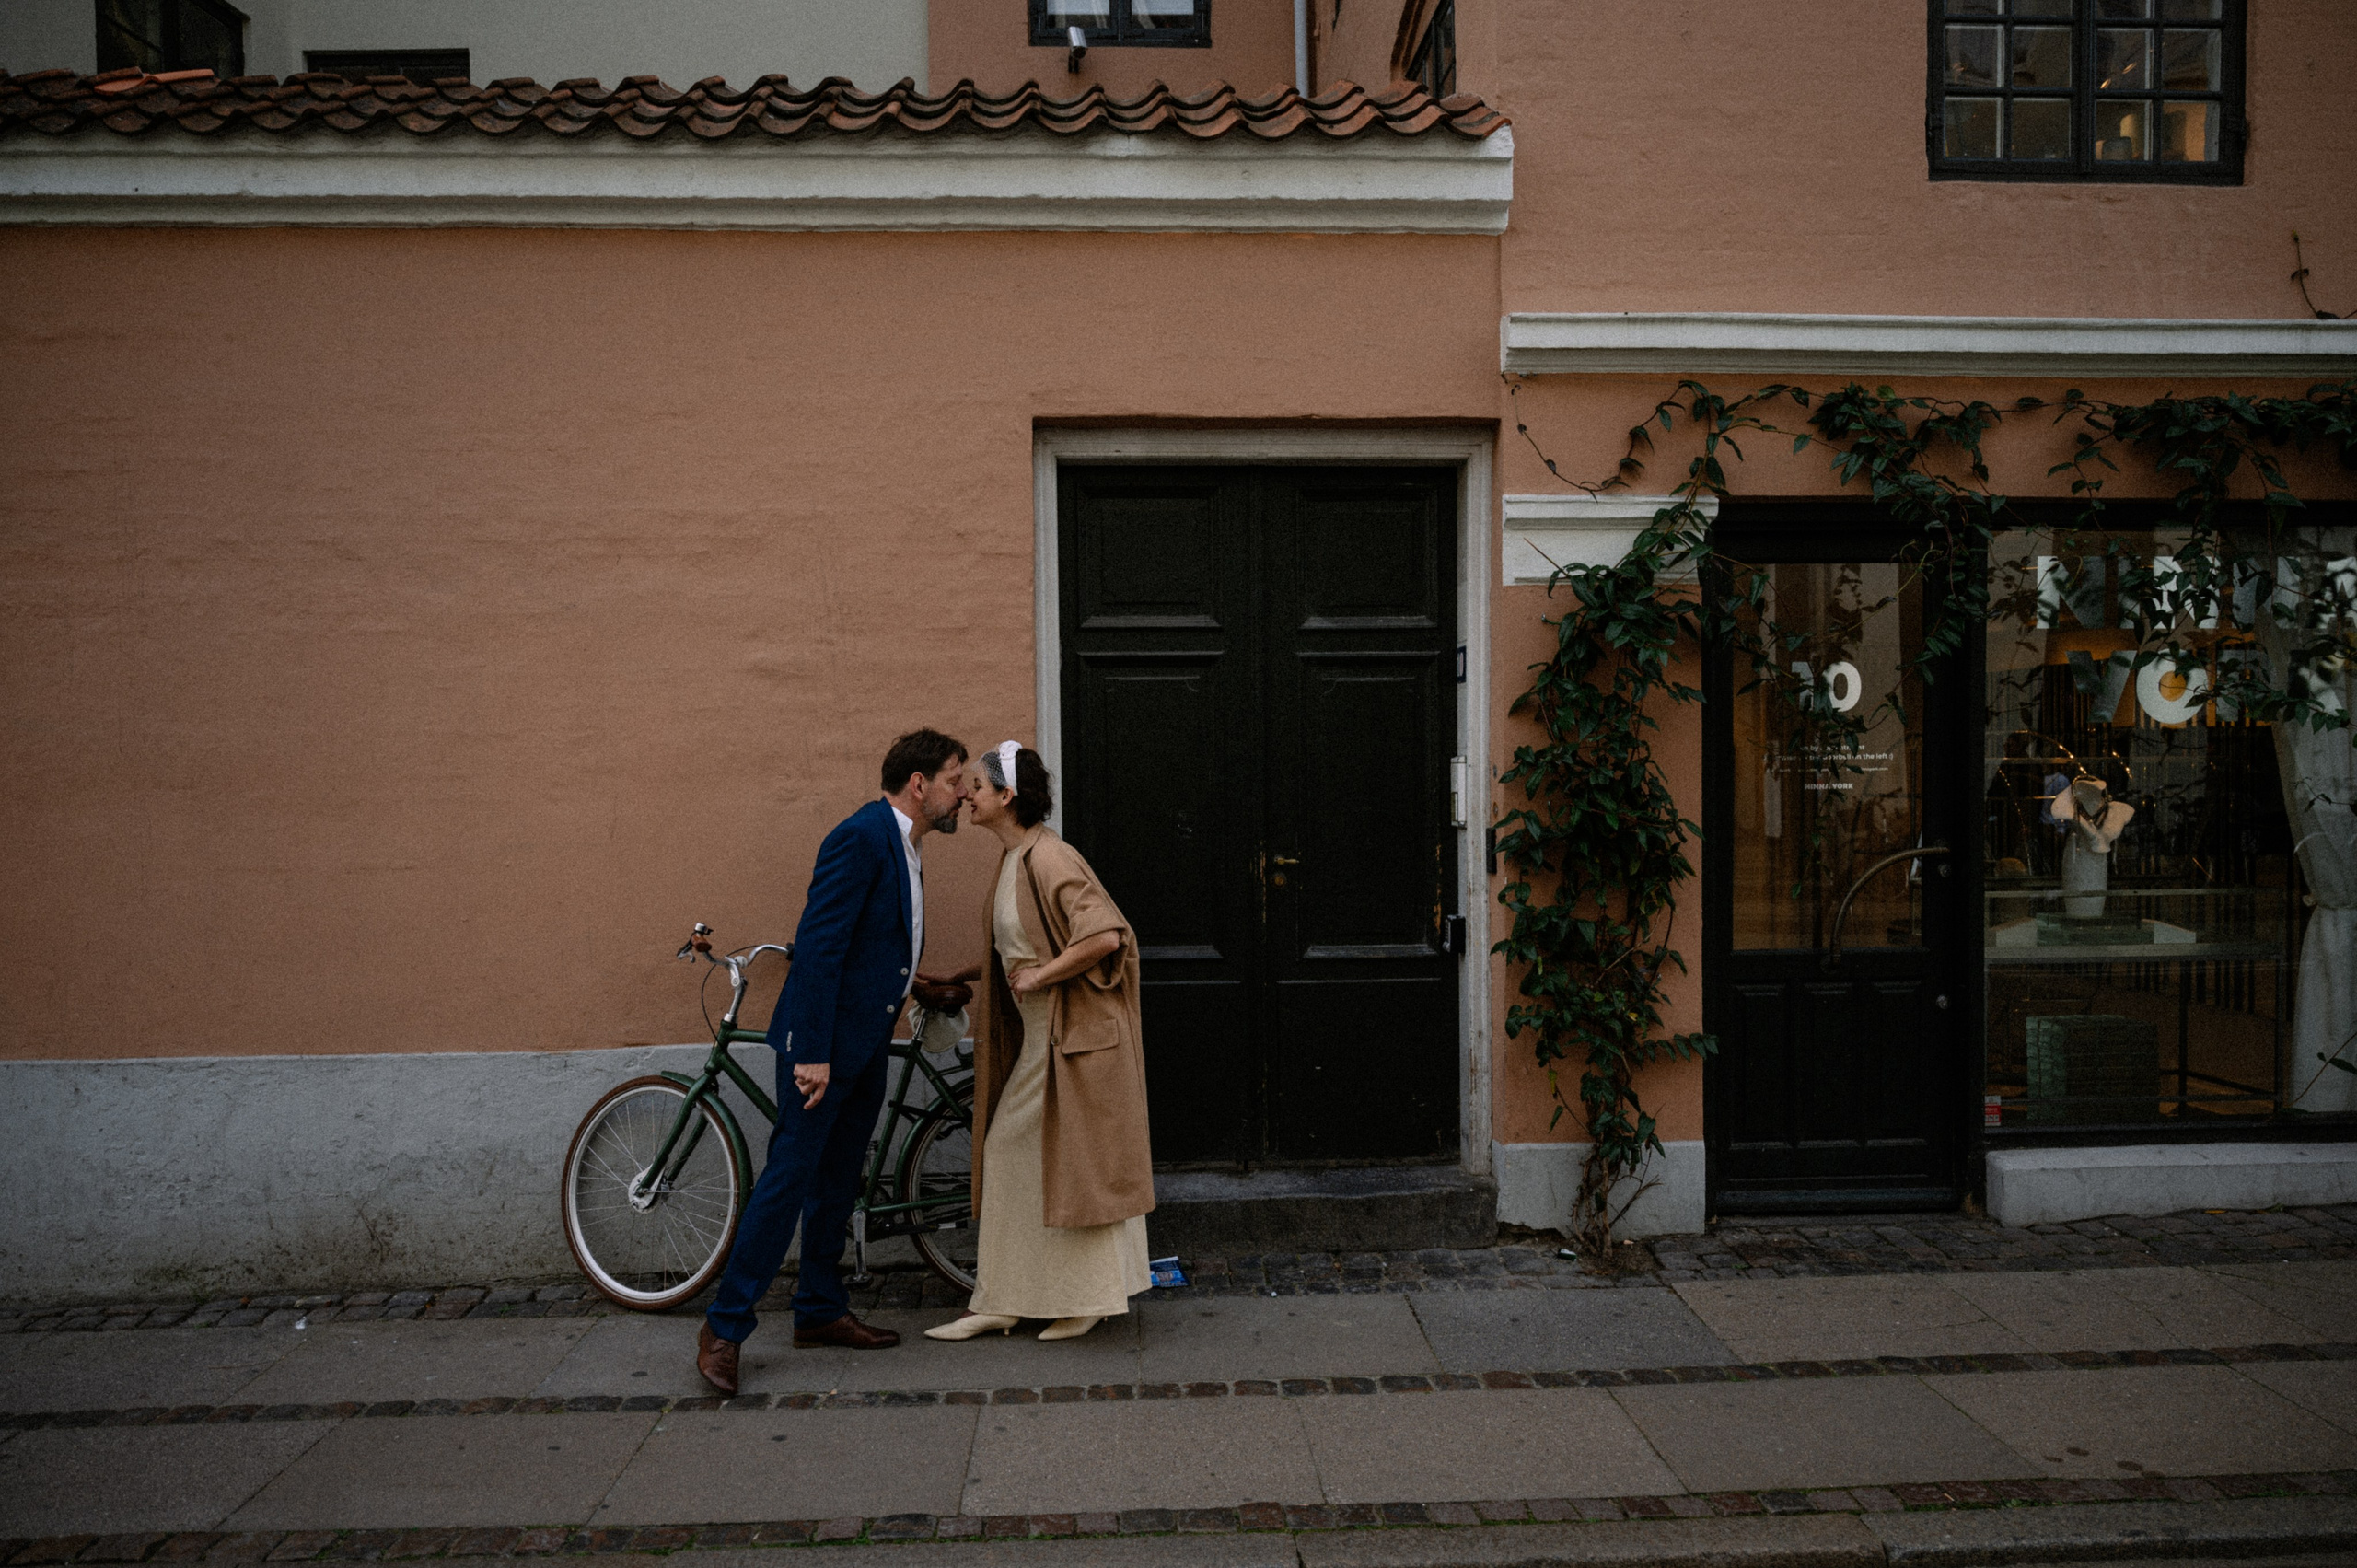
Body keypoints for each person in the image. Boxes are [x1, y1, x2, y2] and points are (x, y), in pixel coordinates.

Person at [695, 729, 975, 1395]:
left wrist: (914, 982)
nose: (962, 792)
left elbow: (869, 945)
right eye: (955, 778)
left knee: (838, 1178)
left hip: (865, 1042)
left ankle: (819, 1309)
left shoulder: (902, 845)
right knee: (788, 1179)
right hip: (821, 1053)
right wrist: (813, 1054)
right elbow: (820, 950)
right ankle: (724, 1327)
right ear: (919, 783)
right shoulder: (860, 836)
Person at [923, 741, 1154, 1343]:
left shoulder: (1051, 857)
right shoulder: (1016, 857)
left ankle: (1075, 1300)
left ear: (1008, 796)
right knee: (1033, 1163)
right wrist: (964, 974)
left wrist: (1039, 978)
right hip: (1044, 1037)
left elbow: (1104, 935)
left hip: (1070, 1038)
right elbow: (1020, 946)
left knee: (1055, 1164)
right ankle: (1010, 1297)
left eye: (976, 785)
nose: (966, 795)